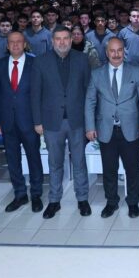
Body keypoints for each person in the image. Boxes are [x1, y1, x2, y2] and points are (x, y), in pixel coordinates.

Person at [31, 26, 91, 219]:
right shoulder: (40, 61)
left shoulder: (82, 59)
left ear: (71, 40)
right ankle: (54, 200)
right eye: (58, 38)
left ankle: (82, 199)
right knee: (55, 163)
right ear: (52, 41)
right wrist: (37, 121)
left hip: (77, 120)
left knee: (79, 162)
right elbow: (35, 93)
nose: (62, 42)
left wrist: (90, 121)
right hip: (51, 122)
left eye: (66, 38)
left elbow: (88, 91)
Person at [86, 37, 139, 219]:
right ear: (106, 53)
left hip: (130, 129)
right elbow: (90, 102)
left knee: (132, 169)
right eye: (112, 50)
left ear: (124, 51)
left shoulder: (136, 71)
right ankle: (111, 202)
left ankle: (133, 202)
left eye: (119, 50)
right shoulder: (96, 74)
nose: (116, 54)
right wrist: (90, 127)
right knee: (109, 169)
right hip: (106, 130)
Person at [0, 31, 44, 213]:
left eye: (19, 41)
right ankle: (20, 194)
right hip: (7, 121)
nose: (15, 45)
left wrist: (39, 120)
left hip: (30, 121)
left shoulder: (35, 62)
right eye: (11, 42)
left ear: (25, 44)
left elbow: (41, 93)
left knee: (34, 158)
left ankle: (36, 194)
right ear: (7, 45)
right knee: (13, 160)